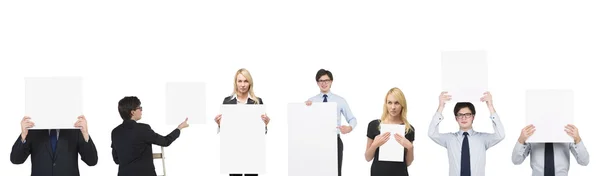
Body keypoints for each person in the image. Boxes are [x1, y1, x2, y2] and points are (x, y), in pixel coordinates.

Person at [428, 91, 505, 176]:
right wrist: (441, 106)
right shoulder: (450, 139)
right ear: (456, 118)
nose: (464, 118)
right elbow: (432, 133)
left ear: (473, 117)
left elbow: (500, 135)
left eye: (467, 114)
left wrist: (490, 106)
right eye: (460, 115)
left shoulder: (482, 139)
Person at [111, 96, 189, 176]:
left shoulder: (115, 132)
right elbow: (165, 141)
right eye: (139, 108)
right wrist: (179, 128)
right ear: (132, 112)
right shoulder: (143, 129)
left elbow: (116, 159)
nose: (141, 110)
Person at [213, 68, 270, 176]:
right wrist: (220, 124)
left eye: (245, 81)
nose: (243, 84)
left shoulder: (257, 102)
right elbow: (226, 132)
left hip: (252, 149)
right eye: (240, 81)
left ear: (250, 83)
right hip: (234, 149)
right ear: (235, 82)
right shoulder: (227, 101)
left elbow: (261, 133)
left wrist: (265, 125)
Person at [305, 69, 357, 176]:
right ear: (317, 83)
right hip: (316, 142)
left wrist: (349, 128)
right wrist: (305, 109)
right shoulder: (311, 101)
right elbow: (305, 123)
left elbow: (352, 119)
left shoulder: (340, 100)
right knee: (316, 172)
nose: (324, 83)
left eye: (326, 80)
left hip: (335, 141)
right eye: (321, 81)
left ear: (331, 81)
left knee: (335, 172)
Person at [10, 115, 98, 176]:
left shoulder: (74, 129)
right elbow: (16, 160)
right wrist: (23, 135)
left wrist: (85, 133)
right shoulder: (33, 130)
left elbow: (92, 161)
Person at [365, 87, 415, 176]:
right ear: (386, 104)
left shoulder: (408, 129)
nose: (393, 107)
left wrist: (410, 148)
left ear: (402, 105)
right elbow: (368, 157)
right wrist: (375, 145)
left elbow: (408, 163)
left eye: (397, 103)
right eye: (390, 103)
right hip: (378, 173)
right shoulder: (374, 125)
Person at [511, 124, 589, 176]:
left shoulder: (567, 133)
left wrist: (577, 139)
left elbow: (584, 161)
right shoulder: (532, 133)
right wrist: (521, 139)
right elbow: (516, 160)